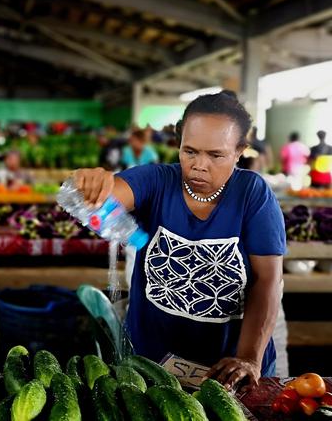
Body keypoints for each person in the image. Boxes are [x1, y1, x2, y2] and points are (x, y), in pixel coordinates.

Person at [74, 91, 285, 392]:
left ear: (240, 151)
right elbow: (107, 199)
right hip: (151, 364)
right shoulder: (156, 181)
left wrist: (249, 357)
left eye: (216, 155)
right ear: (178, 144)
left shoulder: (252, 194)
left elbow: (267, 280)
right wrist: (93, 189)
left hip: (229, 370)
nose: (199, 165)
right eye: (190, 152)